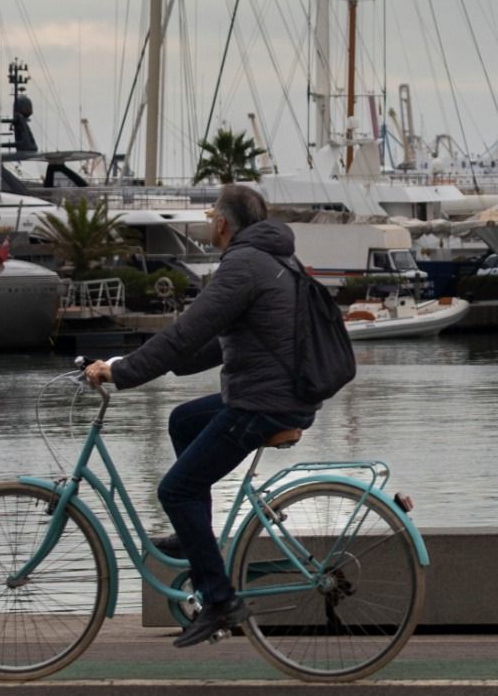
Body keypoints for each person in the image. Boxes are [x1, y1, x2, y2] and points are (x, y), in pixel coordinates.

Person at [85, 185, 318, 648]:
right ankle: (197, 539)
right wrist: (168, 363)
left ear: (222, 224)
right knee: (183, 422)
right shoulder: (273, 258)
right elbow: (215, 340)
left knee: (176, 488)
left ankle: (219, 600)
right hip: (276, 394)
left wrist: (122, 371)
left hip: (263, 403)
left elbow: (185, 330)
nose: (209, 221)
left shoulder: (243, 265)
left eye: (212, 214)